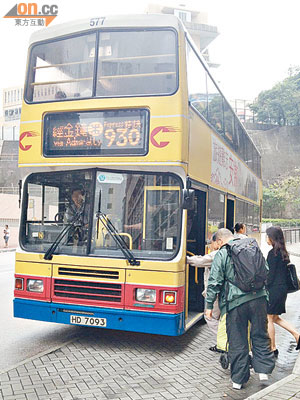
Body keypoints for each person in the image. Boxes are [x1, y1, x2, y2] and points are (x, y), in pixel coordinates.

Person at [205, 228, 274, 390]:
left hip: (235, 303)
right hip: (259, 299)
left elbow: (214, 282)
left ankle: (238, 379)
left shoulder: (223, 253)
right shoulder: (252, 246)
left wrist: (209, 305)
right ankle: (263, 371)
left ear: (220, 241)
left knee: (237, 340)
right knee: (259, 334)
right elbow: (266, 270)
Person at [266, 226, 300, 357]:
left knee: (269, 318)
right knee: (275, 318)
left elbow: (270, 275)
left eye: (268, 236)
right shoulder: (283, 252)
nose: (266, 238)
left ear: (272, 237)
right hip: (282, 289)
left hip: (274, 289)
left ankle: (273, 348)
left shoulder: (272, 253)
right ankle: (297, 335)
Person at [187, 233, 221, 350]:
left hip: (215, 294)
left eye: (211, 243)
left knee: (210, 317)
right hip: (225, 293)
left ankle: (224, 342)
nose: (210, 246)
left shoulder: (217, 254)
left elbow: (201, 261)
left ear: (218, 242)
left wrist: (184, 258)